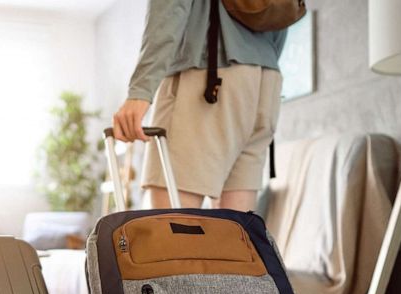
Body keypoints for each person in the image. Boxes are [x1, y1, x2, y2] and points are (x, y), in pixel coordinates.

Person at [112, 0, 287, 211]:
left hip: (209, 73)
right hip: (265, 82)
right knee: (235, 232)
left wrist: (141, 90)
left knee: (169, 230)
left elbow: (170, 7)